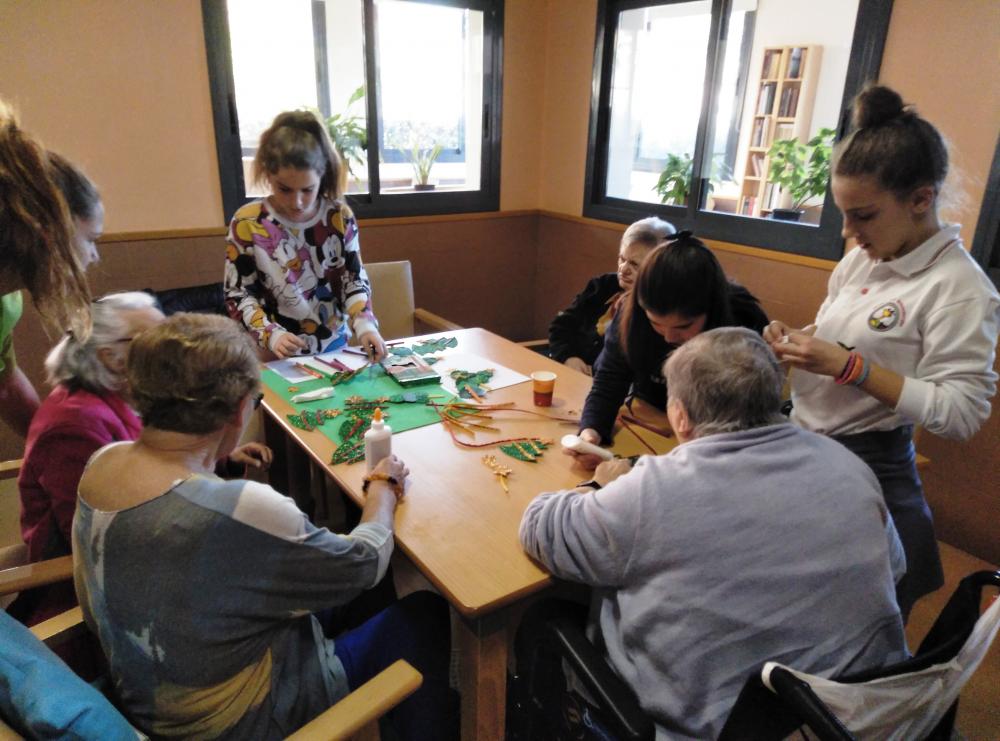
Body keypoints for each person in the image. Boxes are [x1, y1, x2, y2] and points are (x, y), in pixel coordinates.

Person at [73, 313, 454, 740]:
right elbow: (365, 562)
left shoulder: (102, 463)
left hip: (149, 689)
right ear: (239, 409)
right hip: (241, 721)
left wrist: (219, 462)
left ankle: (377, 701)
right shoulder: (243, 510)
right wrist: (383, 486)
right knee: (424, 612)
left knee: (369, 594)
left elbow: (172, 514)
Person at [520, 327, 908, 739]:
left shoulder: (656, 489)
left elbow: (541, 526)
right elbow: (895, 568)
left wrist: (602, 485)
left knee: (544, 615)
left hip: (711, 727)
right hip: (852, 717)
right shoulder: (849, 465)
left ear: (680, 417)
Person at [764, 85, 1000, 619]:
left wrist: (851, 369)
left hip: (871, 468)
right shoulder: (865, 259)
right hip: (808, 449)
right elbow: (839, 332)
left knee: (853, 615)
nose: (849, 233)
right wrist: (796, 339)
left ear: (921, 199)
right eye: (843, 214)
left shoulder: (961, 289)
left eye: (864, 215)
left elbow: (962, 414)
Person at [572, 231, 769, 464]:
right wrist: (591, 431)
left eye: (683, 326)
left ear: (711, 310)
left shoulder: (741, 321)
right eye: (655, 323)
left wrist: (644, 467)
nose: (668, 337)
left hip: (719, 443)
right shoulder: (630, 313)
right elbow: (610, 379)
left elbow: (744, 422)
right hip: (656, 416)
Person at [225, 110, 386, 362]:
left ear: (322, 176)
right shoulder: (247, 222)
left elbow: (353, 279)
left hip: (335, 351)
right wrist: (270, 333)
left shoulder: (339, 217)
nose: (297, 202)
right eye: (284, 189)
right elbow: (238, 294)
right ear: (268, 174)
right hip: (273, 356)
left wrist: (366, 325)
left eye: (307, 190)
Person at [0, 99, 94, 436]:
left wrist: (51, 444)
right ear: (48, 236)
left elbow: (4, 385)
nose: (94, 255)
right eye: (91, 239)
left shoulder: (7, 301)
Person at [548, 216, 675, 375]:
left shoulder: (656, 308)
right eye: (622, 259)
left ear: (658, 269)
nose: (623, 269)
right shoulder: (603, 285)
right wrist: (569, 357)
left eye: (634, 264)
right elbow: (561, 325)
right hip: (572, 372)